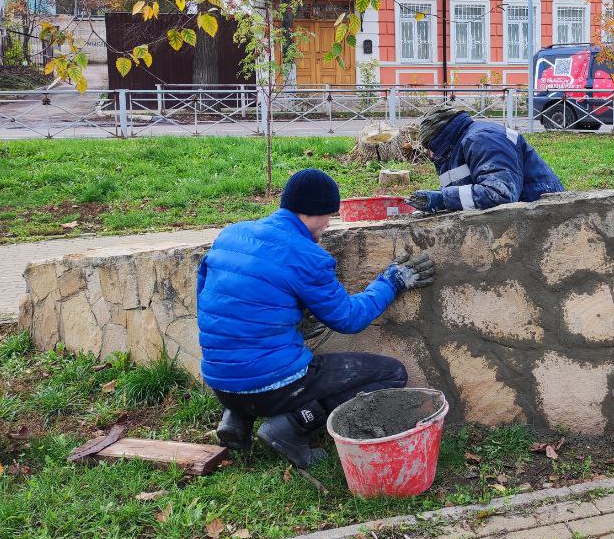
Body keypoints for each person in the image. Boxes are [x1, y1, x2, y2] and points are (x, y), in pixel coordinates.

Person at [197, 168, 435, 468]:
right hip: (271, 387)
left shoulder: (231, 235)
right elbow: (349, 318)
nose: (328, 226)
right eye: (329, 217)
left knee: (251, 362)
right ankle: (289, 426)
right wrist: (391, 283)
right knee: (391, 373)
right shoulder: (307, 256)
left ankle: (237, 419)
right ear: (317, 213)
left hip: (220, 381)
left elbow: (207, 295)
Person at [407, 104, 564, 213]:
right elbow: (467, 191)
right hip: (525, 217)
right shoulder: (454, 148)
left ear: (439, 138)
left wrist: (443, 199)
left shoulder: (481, 139)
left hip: (545, 217)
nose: (430, 154)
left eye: (429, 146)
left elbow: (501, 194)